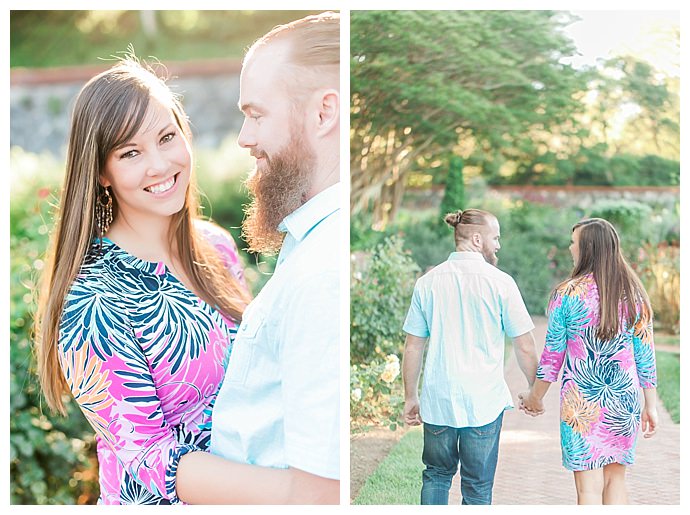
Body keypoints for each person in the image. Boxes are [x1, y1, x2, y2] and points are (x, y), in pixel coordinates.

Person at [34, 55, 254, 504]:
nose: (159, 164)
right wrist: (292, 493)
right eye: (130, 152)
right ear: (100, 172)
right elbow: (151, 458)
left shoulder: (215, 246)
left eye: (167, 137)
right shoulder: (91, 300)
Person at [189, 11, 340, 504]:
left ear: (324, 113)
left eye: (256, 114)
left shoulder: (324, 272)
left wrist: (186, 469)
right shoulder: (308, 243)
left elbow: (318, 498)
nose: (243, 138)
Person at [402, 208, 542, 505]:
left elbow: (413, 346)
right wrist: (534, 391)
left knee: (436, 476)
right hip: (483, 401)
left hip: (439, 398)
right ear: (477, 239)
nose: (499, 245)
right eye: (496, 237)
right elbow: (525, 345)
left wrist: (410, 397)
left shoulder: (428, 282)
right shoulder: (501, 282)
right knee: (477, 488)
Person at [519, 218, 658, 505]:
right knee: (615, 480)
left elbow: (552, 357)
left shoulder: (567, 294)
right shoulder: (634, 295)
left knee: (588, 491)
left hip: (580, 404)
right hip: (623, 399)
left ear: (588, 248)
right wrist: (651, 405)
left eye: (574, 242)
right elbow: (645, 355)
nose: (570, 248)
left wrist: (535, 397)